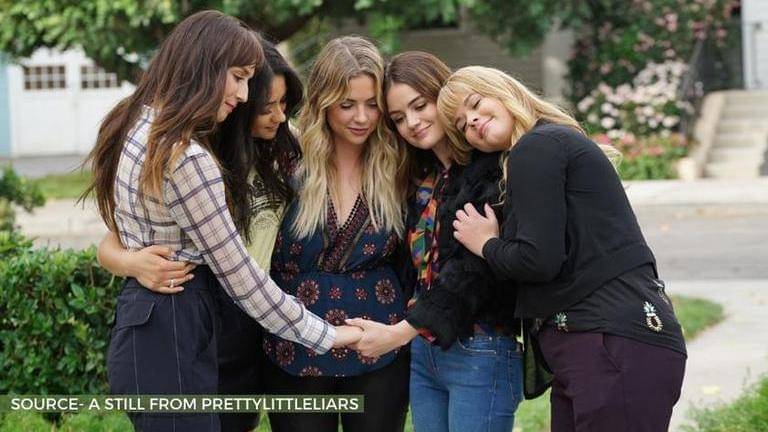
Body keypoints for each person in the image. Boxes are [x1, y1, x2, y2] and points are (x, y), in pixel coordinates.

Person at [83, 12, 359, 431]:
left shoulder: (143, 125)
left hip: (163, 319)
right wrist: (327, 335)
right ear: (205, 66)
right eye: (238, 78)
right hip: (179, 316)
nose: (243, 95)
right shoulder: (187, 156)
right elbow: (240, 276)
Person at [439, 65, 687, 432]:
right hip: (596, 346)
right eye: (461, 125)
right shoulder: (546, 147)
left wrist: (486, 243)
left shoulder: (536, 146)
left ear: (505, 92)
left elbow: (537, 260)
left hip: (609, 342)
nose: (472, 121)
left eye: (475, 104)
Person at [346, 51, 523, 432]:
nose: (412, 123)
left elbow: (474, 271)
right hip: (425, 351)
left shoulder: (488, 167)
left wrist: (400, 332)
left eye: (419, 106)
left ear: (444, 96)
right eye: (398, 118)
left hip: (479, 346)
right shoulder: (423, 178)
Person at [261, 36, 410, 432]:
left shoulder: (399, 164)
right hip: (295, 347)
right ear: (323, 103)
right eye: (347, 105)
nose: (361, 117)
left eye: (372, 104)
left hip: (378, 346)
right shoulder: (284, 160)